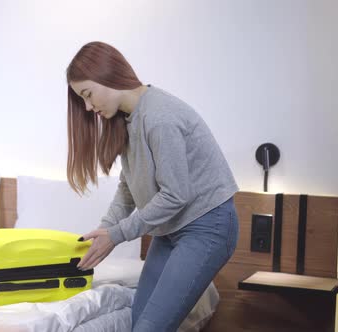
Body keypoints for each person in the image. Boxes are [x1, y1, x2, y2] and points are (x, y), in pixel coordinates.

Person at [66, 41, 239, 332]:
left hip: (207, 226)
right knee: (139, 322)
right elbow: (127, 188)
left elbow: (175, 194)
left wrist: (118, 235)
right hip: (169, 230)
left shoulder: (159, 117)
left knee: (149, 328)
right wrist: (105, 231)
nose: (87, 107)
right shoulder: (126, 119)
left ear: (107, 75)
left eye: (87, 94)